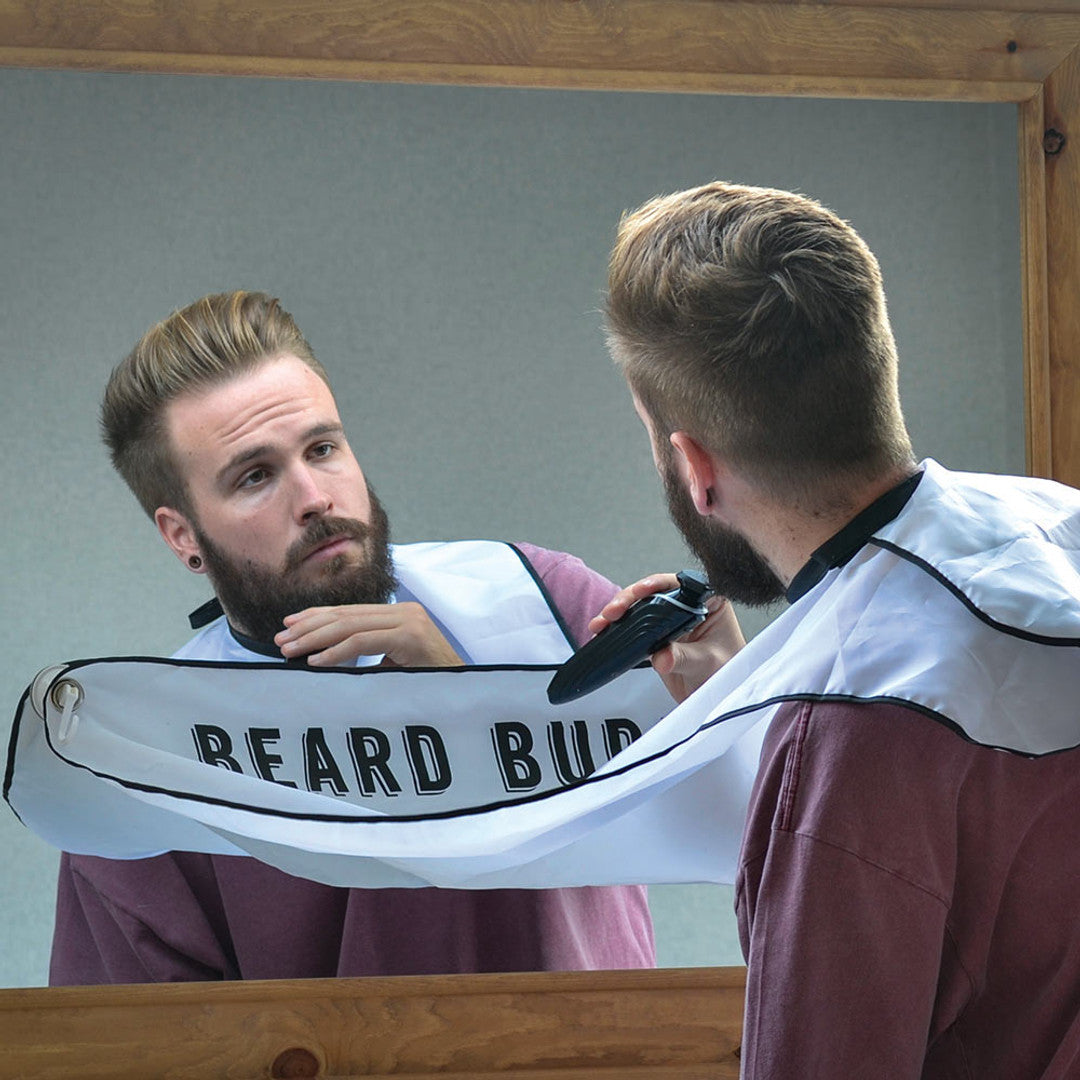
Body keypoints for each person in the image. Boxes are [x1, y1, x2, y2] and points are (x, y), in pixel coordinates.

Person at [596, 182, 1080, 1077]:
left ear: (694, 465)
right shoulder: (1059, 523)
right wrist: (750, 702)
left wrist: (809, 740)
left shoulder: (854, 735)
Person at [49, 290, 655, 984]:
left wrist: (469, 707)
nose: (315, 497)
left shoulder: (545, 602)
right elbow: (133, 1034)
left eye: (323, 448)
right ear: (183, 535)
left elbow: (727, 820)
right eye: (255, 477)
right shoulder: (149, 759)